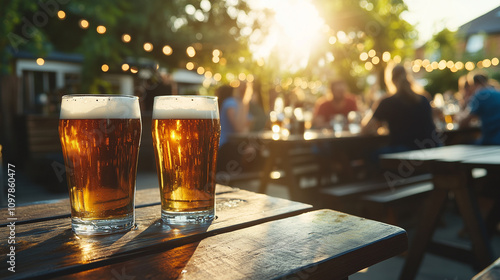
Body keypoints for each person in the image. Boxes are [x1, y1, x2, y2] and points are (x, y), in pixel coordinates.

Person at [361, 64, 440, 154]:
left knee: (369, 154)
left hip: (405, 152)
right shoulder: (423, 99)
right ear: (408, 77)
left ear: (390, 80)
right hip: (432, 149)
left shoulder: (387, 102)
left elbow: (365, 129)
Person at [216, 82, 254, 174]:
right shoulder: (230, 103)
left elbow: (246, 130)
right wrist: (243, 103)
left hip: (236, 145)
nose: (244, 90)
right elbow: (239, 128)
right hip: (225, 146)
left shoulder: (244, 104)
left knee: (254, 150)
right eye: (242, 87)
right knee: (254, 152)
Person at [459, 73, 500, 145]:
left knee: (463, 142)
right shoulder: (497, 92)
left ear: (473, 84)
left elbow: (463, 123)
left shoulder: (479, 95)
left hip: (492, 141)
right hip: (496, 139)